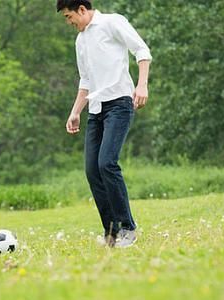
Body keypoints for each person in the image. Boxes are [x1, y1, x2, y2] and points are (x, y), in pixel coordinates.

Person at [56, 0, 152, 247]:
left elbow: (142, 51)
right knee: (92, 170)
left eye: (69, 17)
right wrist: (75, 112)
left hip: (119, 103)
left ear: (81, 9)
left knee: (107, 163)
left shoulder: (112, 22)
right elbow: (85, 80)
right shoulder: (80, 41)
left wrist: (141, 85)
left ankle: (128, 228)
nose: (69, 22)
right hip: (96, 109)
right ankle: (111, 232)